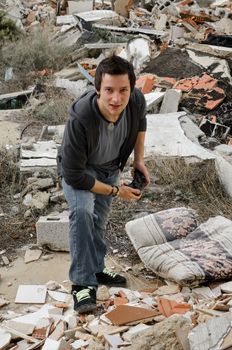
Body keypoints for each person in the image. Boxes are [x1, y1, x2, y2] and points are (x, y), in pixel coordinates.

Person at [60, 55, 150, 313]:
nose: (116, 99)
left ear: (131, 88)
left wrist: (139, 160)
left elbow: (141, 121)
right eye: (109, 90)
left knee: (99, 219)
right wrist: (116, 191)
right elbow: (75, 175)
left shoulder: (135, 100)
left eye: (123, 90)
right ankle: (81, 284)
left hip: (110, 166)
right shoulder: (81, 116)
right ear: (97, 88)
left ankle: (97, 269)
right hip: (81, 168)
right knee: (82, 213)